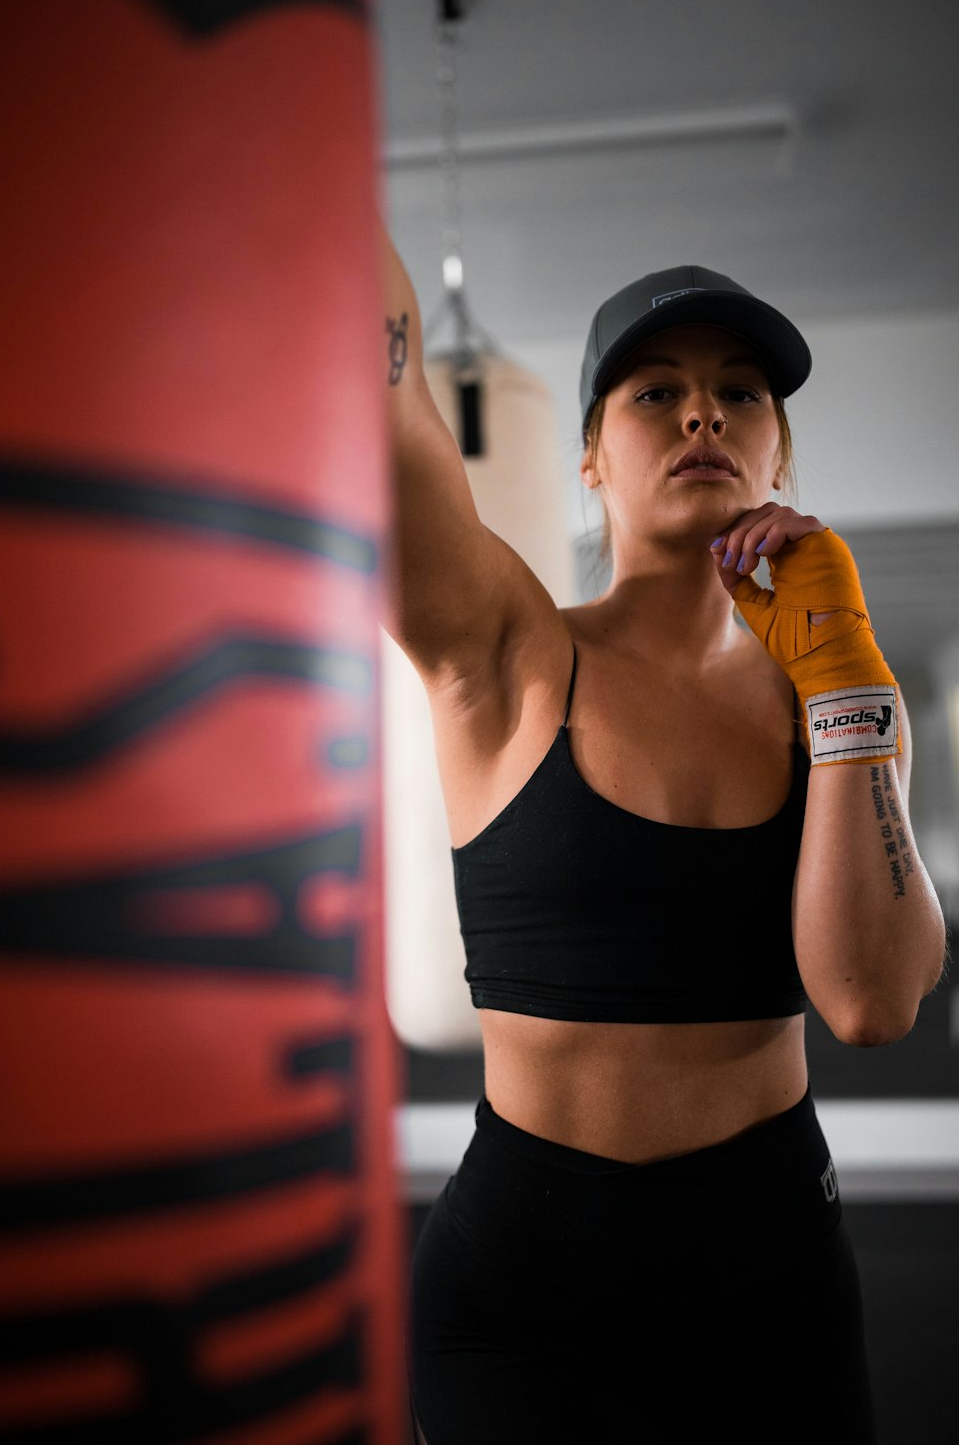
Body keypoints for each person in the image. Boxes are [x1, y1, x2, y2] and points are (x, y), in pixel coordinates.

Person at [381, 232, 948, 1444]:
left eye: (739, 391)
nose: (704, 413)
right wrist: (299, 144)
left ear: (777, 446)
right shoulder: (510, 653)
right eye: (656, 393)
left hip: (770, 1276)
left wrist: (844, 674)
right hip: (520, 1287)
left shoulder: (843, 701)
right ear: (588, 455)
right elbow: (383, 415)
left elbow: (871, 1004)